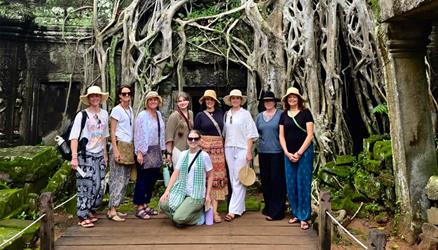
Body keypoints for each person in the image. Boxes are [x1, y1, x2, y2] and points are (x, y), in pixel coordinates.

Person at [69, 85, 109, 228]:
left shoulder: (104, 114)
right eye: (92, 96)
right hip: (85, 155)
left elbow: (104, 135)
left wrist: (105, 154)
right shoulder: (82, 115)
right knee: (85, 185)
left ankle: (91, 210)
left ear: (100, 98)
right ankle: (82, 214)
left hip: (99, 153)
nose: (95, 98)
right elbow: (74, 137)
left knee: (98, 185)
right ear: (88, 98)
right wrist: (74, 157)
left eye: (97, 96)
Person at [159, 130, 213, 227]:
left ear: (200, 140)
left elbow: (211, 175)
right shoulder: (183, 154)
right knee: (163, 203)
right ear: (187, 140)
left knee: (177, 218)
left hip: (196, 195)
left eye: (196, 139)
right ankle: (182, 217)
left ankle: (198, 217)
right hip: (182, 191)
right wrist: (167, 191)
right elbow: (175, 173)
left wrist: (208, 195)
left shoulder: (204, 156)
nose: (193, 141)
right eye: (190, 138)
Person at [279, 87, 314, 230]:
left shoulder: (306, 113)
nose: (292, 99)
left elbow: (310, 135)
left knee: (303, 183)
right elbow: (281, 135)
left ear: (299, 99)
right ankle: (296, 213)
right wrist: (287, 152)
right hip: (289, 153)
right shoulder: (284, 115)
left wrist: (299, 153)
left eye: (294, 97)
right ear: (287, 100)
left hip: (304, 153)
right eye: (289, 97)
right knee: (291, 183)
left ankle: (305, 217)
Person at [222, 89, 258, 222]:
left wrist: (249, 151)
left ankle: (233, 210)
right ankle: (240, 207)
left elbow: (251, 134)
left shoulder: (245, 114)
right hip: (229, 147)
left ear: (241, 100)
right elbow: (225, 134)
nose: (235, 100)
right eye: (233, 98)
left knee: (238, 177)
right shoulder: (227, 114)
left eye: (237, 98)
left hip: (242, 148)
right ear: (230, 100)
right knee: (233, 178)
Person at [194, 89, 228, 223]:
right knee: (204, 177)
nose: (209, 101)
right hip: (204, 149)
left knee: (217, 179)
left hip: (218, 150)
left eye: (211, 99)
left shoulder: (222, 114)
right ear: (204, 101)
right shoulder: (200, 115)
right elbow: (195, 134)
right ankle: (204, 210)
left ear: (215, 101)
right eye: (207, 99)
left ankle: (214, 211)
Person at [134, 91, 165, 220]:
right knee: (142, 179)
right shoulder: (142, 116)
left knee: (152, 179)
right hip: (145, 151)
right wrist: (139, 152)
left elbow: (161, 133)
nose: (153, 102)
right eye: (150, 100)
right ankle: (139, 206)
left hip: (156, 150)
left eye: (155, 100)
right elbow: (138, 134)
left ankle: (146, 203)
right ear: (146, 102)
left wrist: (163, 150)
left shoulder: (158, 114)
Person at [255, 90, 286, 221]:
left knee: (277, 181)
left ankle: (278, 211)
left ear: (274, 102)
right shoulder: (259, 116)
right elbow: (255, 133)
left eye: (270, 100)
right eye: (266, 101)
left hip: (277, 152)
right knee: (266, 181)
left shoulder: (281, 115)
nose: (268, 103)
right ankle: (268, 207)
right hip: (263, 152)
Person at [106, 85, 134, 222]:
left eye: (129, 93)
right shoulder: (116, 110)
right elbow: (112, 131)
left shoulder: (130, 109)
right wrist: (115, 149)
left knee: (125, 178)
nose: (126, 96)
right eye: (124, 94)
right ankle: (112, 210)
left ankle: (116, 207)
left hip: (128, 146)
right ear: (119, 96)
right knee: (116, 178)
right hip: (118, 145)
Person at [166, 92, 194, 165]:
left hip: (190, 149)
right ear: (177, 103)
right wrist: (169, 153)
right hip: (178, 149)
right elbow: (169, 136)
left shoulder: (190, 113)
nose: (182, 103)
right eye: (180, 101)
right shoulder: (174, 116)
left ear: (188, 101)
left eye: (184, 100)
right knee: (179, 175)